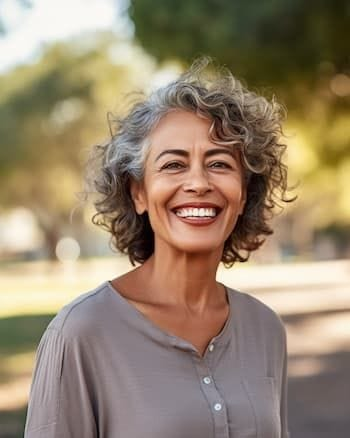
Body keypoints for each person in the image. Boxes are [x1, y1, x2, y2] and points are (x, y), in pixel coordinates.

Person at [24, 59, 293, 438]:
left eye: (218, 163)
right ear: (138, 193)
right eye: (173, 165)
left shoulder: (265, 329)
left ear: (244, 192)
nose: (198, 182)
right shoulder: (82, 333)